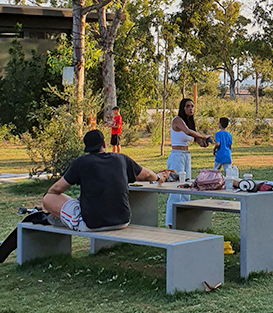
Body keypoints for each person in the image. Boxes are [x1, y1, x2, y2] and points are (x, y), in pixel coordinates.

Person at [42, 130, 173, 231]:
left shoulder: (81, 162)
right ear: (104, 144)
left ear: (86, 148)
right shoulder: (121, 159)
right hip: (123, 221)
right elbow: (147, 174)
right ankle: (65, 216)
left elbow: (55, 190)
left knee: (48, 198)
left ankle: (62, 218)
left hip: (92, 224)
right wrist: (158, 177)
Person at [165, 98, 212, 228]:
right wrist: (203, 136)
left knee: (187, 188)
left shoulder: (190, 123)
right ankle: (170, 223)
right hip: (177, 155)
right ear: (182, 107)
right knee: (176, 189)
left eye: (192, 106)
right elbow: (187, 132)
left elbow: (196, 140)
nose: (190, 108)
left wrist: (208, 143)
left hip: (186, 155)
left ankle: (183, 222)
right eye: (188, 106)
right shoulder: (178, 120)